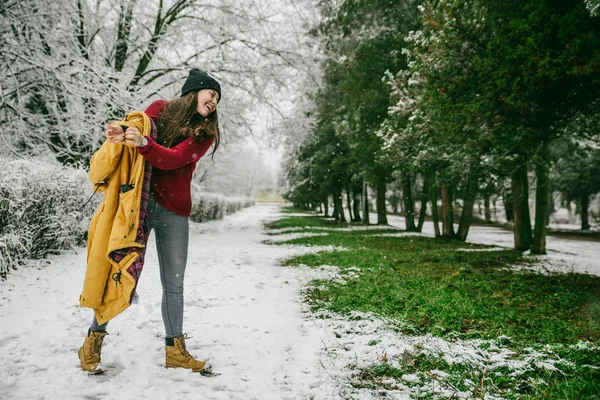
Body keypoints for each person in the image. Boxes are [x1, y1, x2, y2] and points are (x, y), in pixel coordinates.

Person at [78, 69, 221, 375]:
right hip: (137, 206)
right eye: (212, 94)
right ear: (195, 91)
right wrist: (121, 135)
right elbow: (134, 127)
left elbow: (172, 158)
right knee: (119, 273)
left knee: (174, 284)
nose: (215, 102)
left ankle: (175, 350)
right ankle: (93, 340)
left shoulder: (204, 133)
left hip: (174, 212)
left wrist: (142, 142)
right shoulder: (159, 110)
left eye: (218, 99)